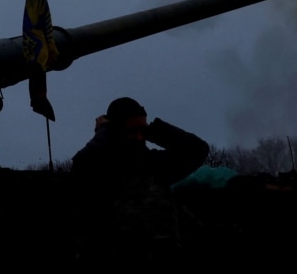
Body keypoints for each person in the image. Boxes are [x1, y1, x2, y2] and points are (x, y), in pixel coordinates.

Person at [71, 97, 209, 265]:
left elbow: (197, 150)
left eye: (142, 131)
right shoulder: (99, 167)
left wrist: (154, 131)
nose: (138, 137)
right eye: (131, 131)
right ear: (115, 130)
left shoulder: (155, 164)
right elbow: (83, 163)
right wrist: (104, 132)